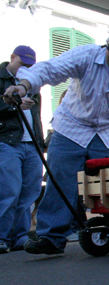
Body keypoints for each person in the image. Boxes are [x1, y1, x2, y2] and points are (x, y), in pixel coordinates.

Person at [3, 24, 109, 255]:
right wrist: (24, 86)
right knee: (59, 179)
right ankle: (52, 237)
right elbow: (50, 70)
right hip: (71, 126)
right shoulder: (86, 55)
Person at [0, 46, 44, 254]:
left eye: (29, 66)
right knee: (10, 191)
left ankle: (20, 237)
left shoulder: (33, 84)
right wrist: (13, 106)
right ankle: (2, 236)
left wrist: (41, 142)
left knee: (30, 192)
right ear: (12, 58)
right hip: (8, 142)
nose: (25, 68)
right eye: (22, 64)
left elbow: (37, 117)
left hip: (31, 143)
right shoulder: (1, 79)